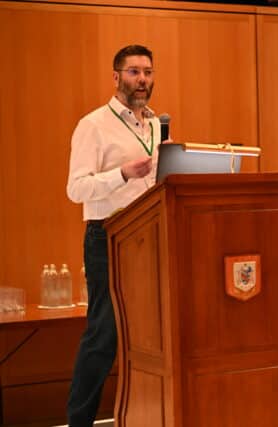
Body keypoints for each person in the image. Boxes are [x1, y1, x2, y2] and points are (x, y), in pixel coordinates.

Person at [66, 44, 161, 426]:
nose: (142, 80)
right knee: (104, 337)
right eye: (134, 72)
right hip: (108, 239)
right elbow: (75, 189)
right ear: (116, 76)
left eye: (148, 72)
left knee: (152, 338)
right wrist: (123, 173)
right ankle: (80, 421)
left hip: (152, 237)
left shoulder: (154, 123)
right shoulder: (93, 125)